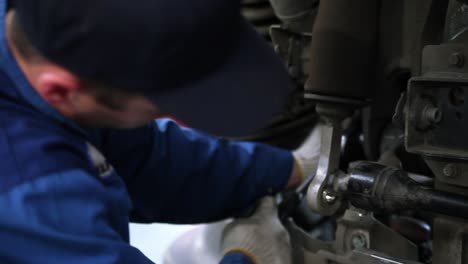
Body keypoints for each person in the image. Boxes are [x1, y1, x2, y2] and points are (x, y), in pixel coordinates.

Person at [0, 0, 320, 263]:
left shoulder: (42, 40)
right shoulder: (31, 195)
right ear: (60, 90)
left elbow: (142, 158)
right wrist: (246, 258)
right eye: (161, 108)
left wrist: (286, 169)